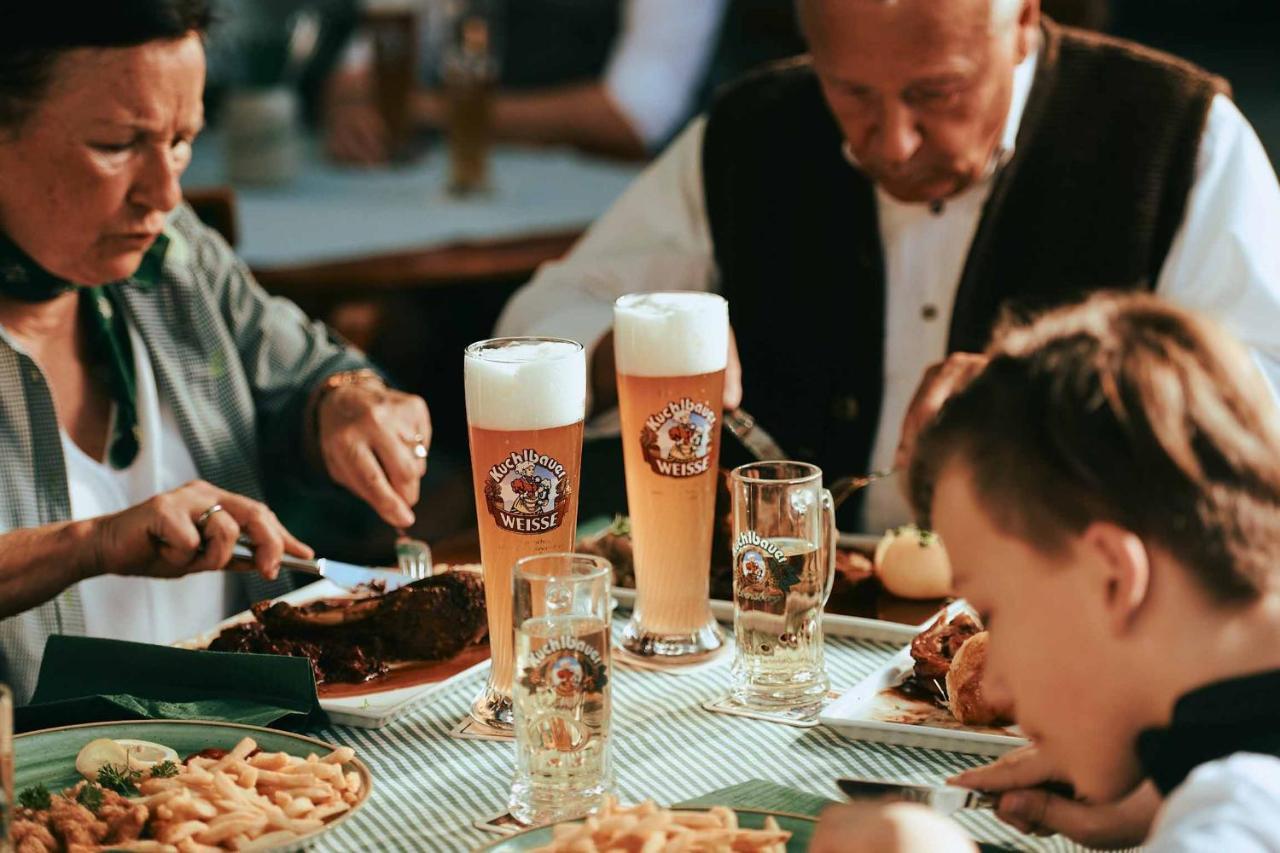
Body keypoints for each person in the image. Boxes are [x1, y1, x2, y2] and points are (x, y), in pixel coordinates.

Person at [494, 0, 1280, 531]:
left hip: (1073, 649)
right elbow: (535, 330)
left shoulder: (1181, 138)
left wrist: (1058, 395)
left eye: (938, 93)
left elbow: (1260, 409)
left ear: (1025, 22)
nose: (894, 142)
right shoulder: (754, 128)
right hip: (784, 644)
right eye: (853, 92)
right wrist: (618, 354)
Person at [0, 1, 432, 703]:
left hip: (264, 758)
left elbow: (312, 374)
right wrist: (92, 543)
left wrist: (348, 401)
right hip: (47, 792)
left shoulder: (174, 251)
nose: (164, 193)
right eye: (115, 145)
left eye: (181, 141)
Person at [812, 292, 1280, 850]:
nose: (1001, 685)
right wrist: (1169, 783)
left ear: (1111, 575)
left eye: (993, 614)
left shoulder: (1240, 817)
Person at [325, 0, 728, 163]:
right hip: (462, 210)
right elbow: (358, 69)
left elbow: (635, 117)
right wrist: (354, 111)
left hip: (612, 224)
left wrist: (426, 110)